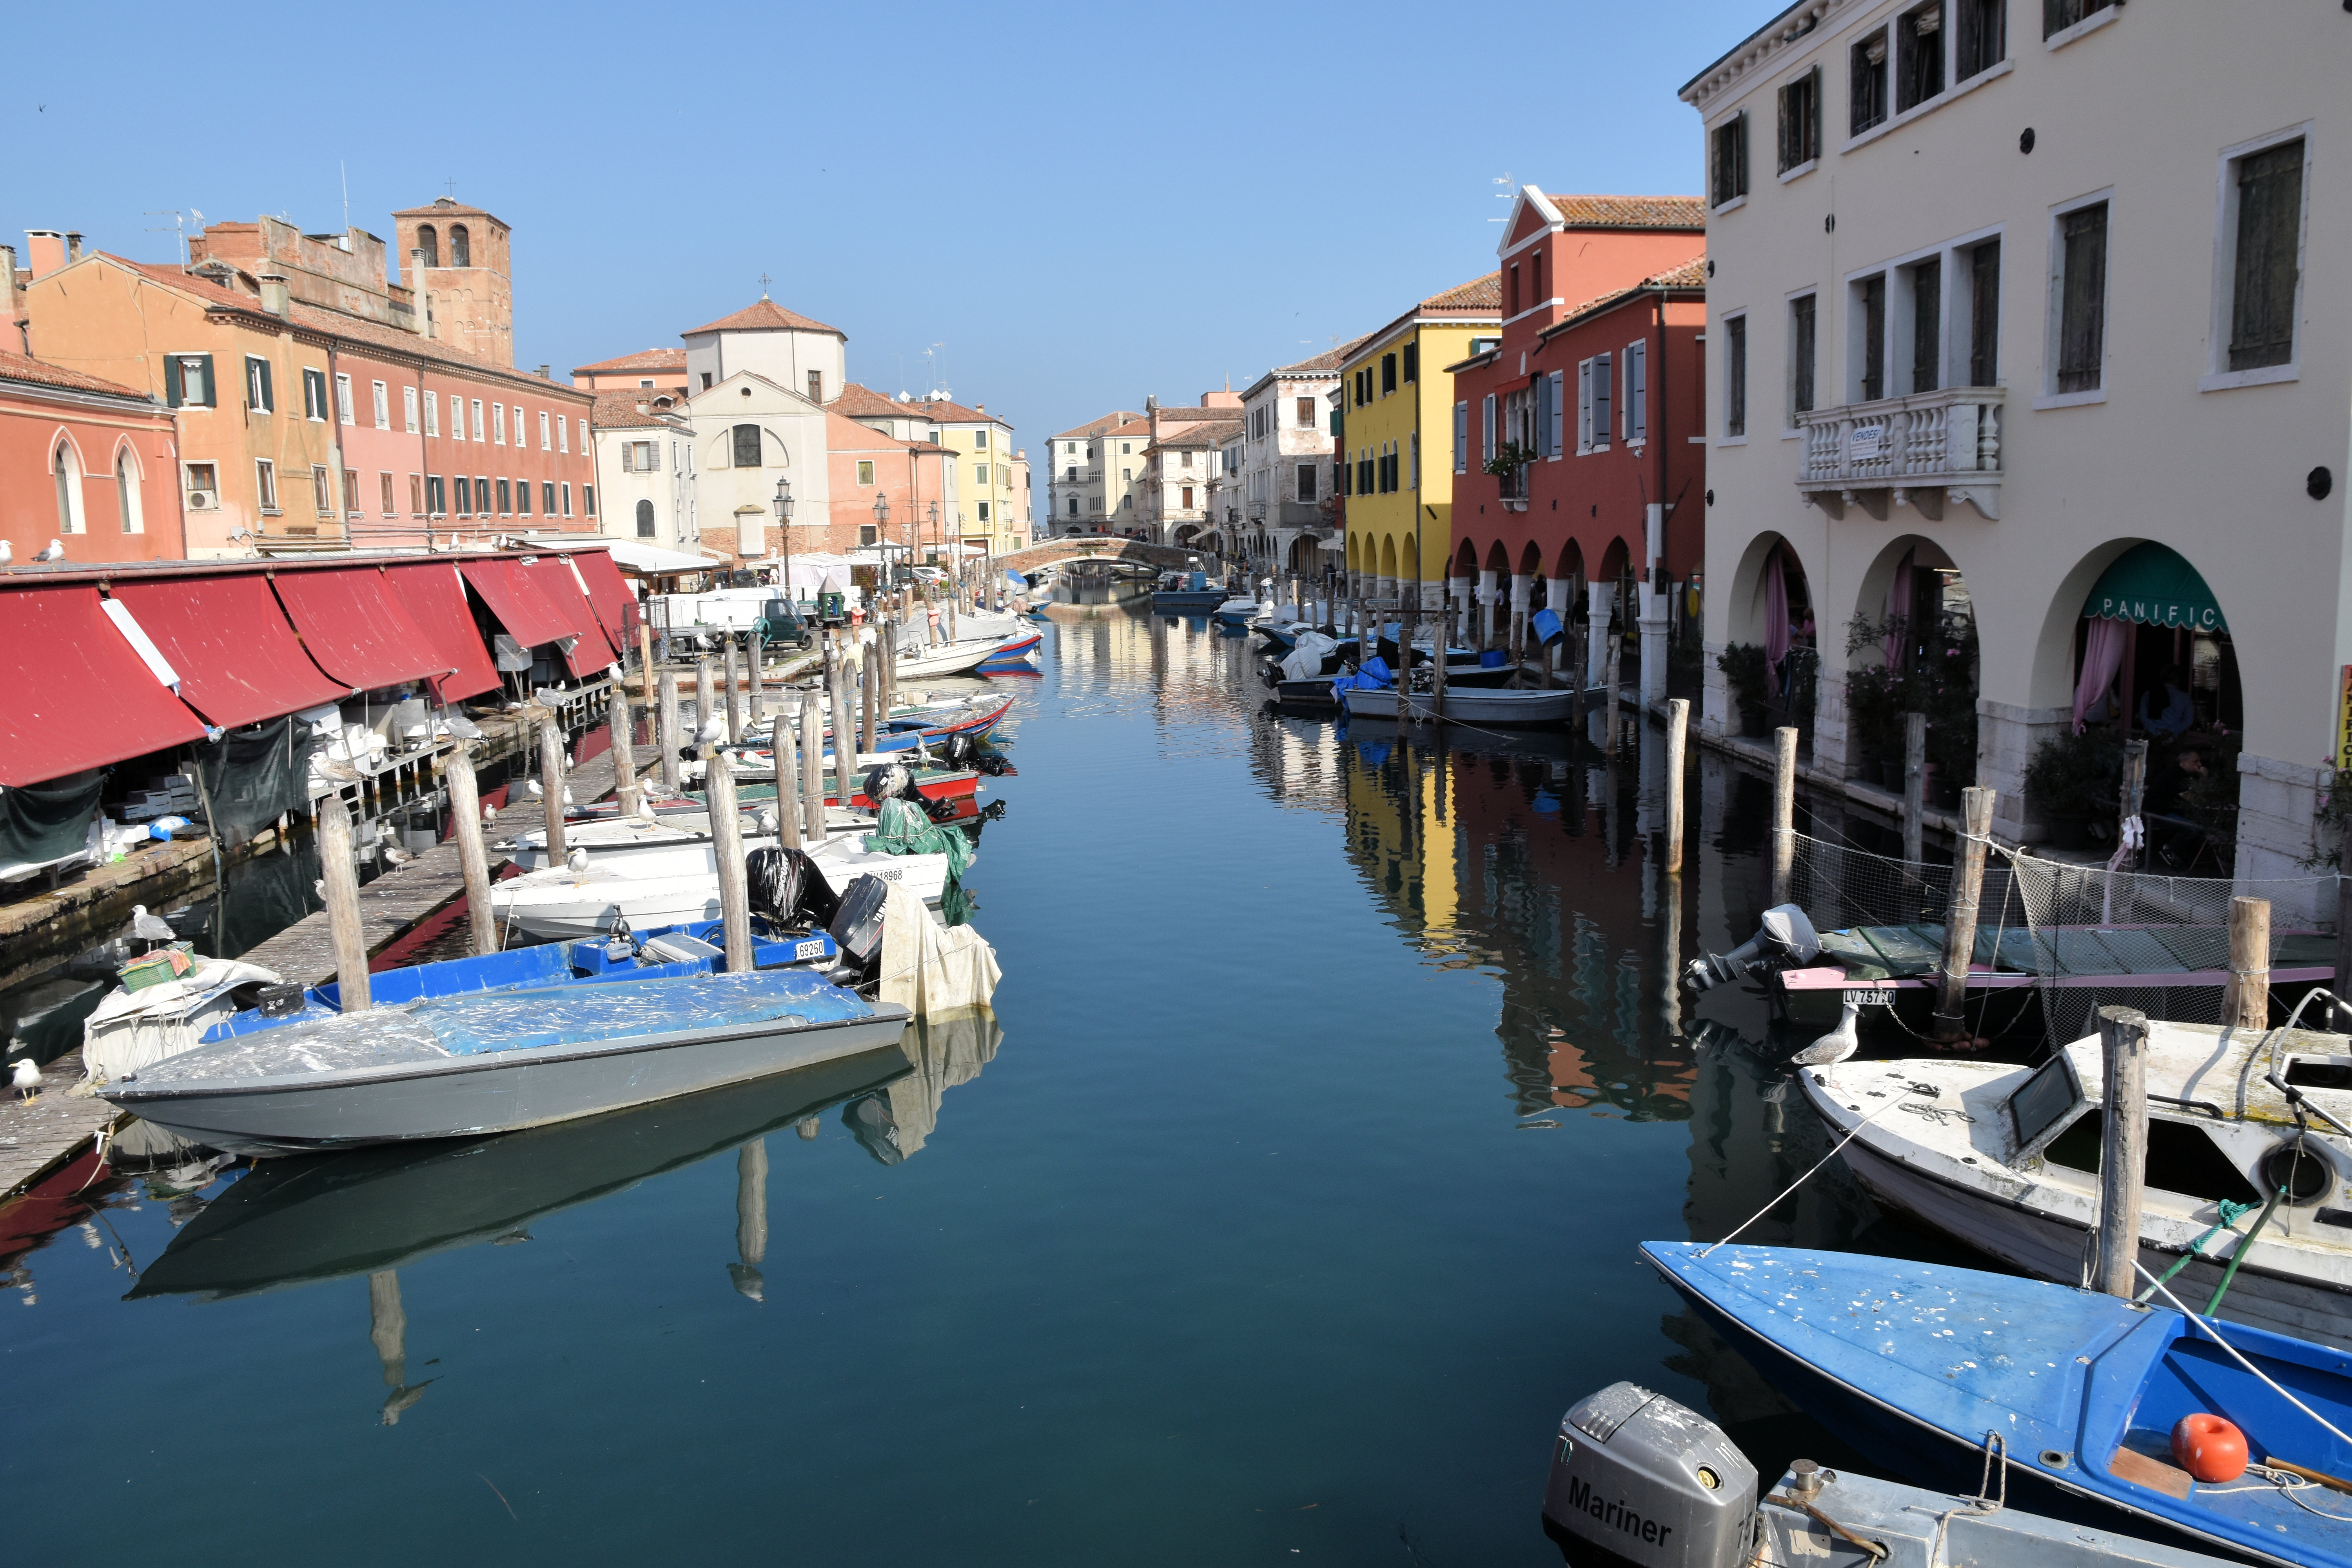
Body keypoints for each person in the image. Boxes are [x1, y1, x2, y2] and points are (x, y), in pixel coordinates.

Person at [2143, 746, 2207, 866]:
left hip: (2171, 810)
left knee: (2199, 823)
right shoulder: (2175, 775)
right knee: (2194, 828)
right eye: (2195, 762)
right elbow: (2191, 798)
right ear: (2184, 762)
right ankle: (2170, 850)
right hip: (2158, 813)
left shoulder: (2186, 774)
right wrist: (2204, 778)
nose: (2199, 765)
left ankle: (2177, 851)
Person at [2140, 664, 2195, 739]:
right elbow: (2188, 720)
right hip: (2174, 738)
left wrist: (2156, 732)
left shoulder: (2149, 694)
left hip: (2152, 737)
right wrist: (2172, 730)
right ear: (2178, 679)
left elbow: (2144, 718)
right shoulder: (2184, 697)